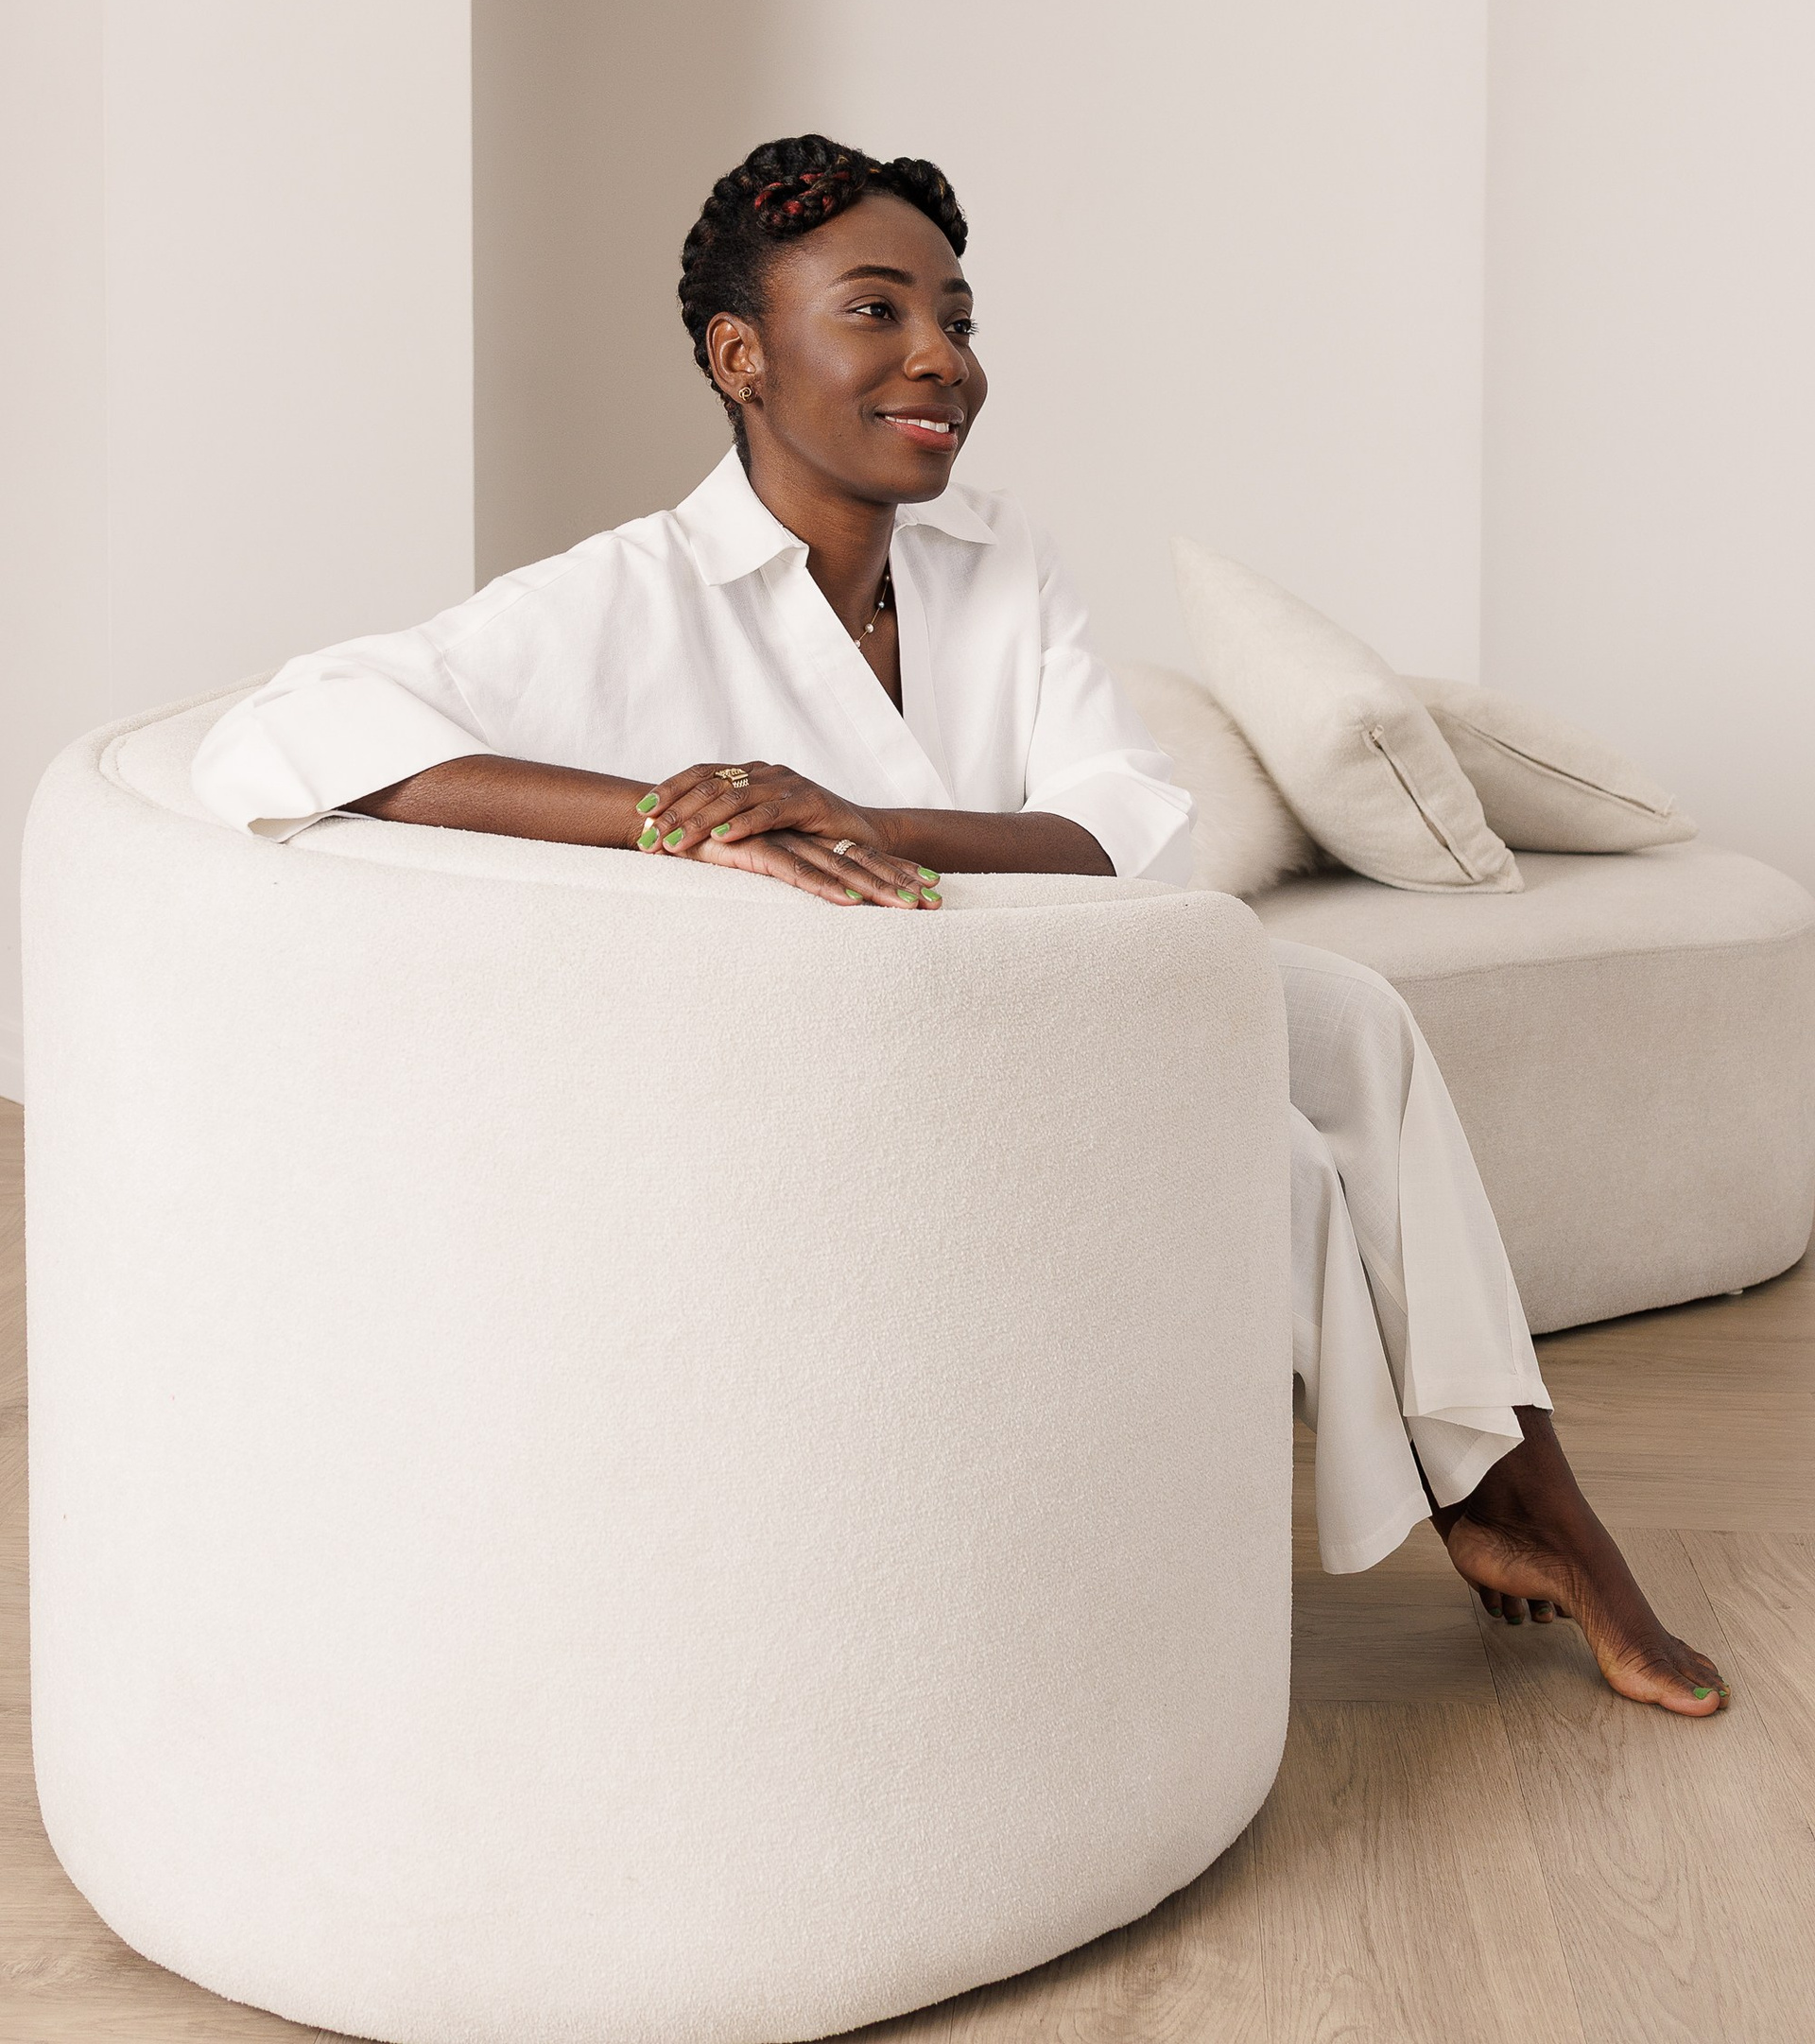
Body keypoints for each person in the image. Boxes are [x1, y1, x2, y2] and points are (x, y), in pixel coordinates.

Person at [194, 133, 1729, 1716]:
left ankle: (1525, 1498)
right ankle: (1494, 1502)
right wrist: (663, 810)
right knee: (1264, 1143)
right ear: (740, 356)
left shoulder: (998, 558)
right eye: (877, 310)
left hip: (1040, 988)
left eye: (958, 316)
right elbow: (280, 735)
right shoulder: (624, 595)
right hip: (858, 1077)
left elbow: (1136, 834)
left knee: (1354, 1017)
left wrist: (865, 818)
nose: (942, 357)